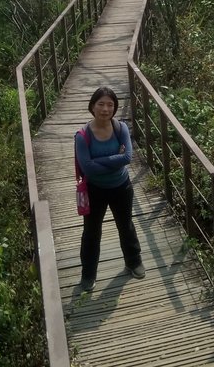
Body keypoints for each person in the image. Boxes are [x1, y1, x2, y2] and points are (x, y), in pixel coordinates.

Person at [75, 86, 145, 291]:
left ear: (114, 108)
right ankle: (88, 274)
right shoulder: (82, 136)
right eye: (101, 104)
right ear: (92, 107)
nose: (105, 109)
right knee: (91, 232)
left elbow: (127, 158)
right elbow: (87, 167)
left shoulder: (121, 128)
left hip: (121, 187)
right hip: (95, 190)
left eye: (110, 105)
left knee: (126, 225)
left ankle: (133, 261)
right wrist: (113, 160)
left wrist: (99, 160)